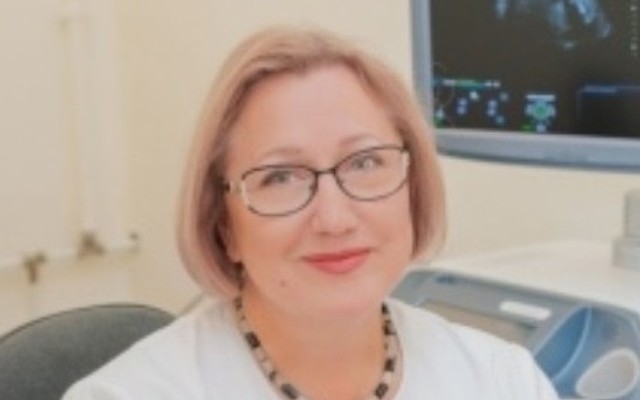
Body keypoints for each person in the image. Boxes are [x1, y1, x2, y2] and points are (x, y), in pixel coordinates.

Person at [63, 26, 558, 400]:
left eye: (365, 163)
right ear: (224, 225)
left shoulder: (501, 380)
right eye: (280, 177)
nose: (335, 219)